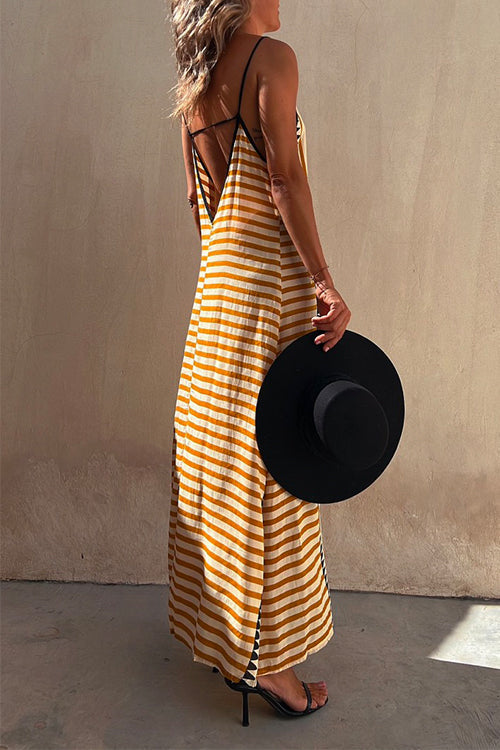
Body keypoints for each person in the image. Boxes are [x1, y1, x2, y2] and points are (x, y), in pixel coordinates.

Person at [168, 0, 351, 723]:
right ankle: (270, 665)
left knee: (221, 466)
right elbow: (282, 181)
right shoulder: (272, 60)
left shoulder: (196, 80)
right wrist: (324, 281)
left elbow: (200, 202)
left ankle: (230, 641)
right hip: (268, 293)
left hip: (217, 295)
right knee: (276, 466)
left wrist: (231, 274)